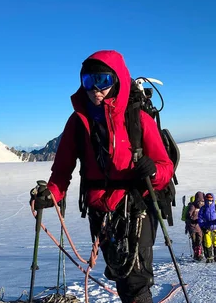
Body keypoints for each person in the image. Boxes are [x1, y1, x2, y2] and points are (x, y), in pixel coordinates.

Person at [30, 50, 174, 303]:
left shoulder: (138, 118)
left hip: (136, 206)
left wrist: (152, 171)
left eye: (104, 81)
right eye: (88, 81)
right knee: (120, 273)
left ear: (117, 80)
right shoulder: (78, 121)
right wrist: (51, 193)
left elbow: (165, 166)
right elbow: (62, 170)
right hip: (101, 211)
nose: (96, 89)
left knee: (135, 279)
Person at [198, 193, 216, 263]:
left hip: (215, 228)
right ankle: (209, 257)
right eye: (208, 200)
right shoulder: (203, 209)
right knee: (207, 242)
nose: (209, 202)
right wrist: (203, 226)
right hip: (206, 228)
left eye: (211, 200)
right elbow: (200, 219)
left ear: (213, 200)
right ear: (205, 200)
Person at [186, 191, 205, 261]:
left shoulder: (202, 207)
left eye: (202, 201)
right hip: (193, 227)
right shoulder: (192, 206)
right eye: (200, 201)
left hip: (198, 227)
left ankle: (199, 254)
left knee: (199, 241)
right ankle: (197, 255)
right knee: (195, 241)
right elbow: (189, 216)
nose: (201, 203)